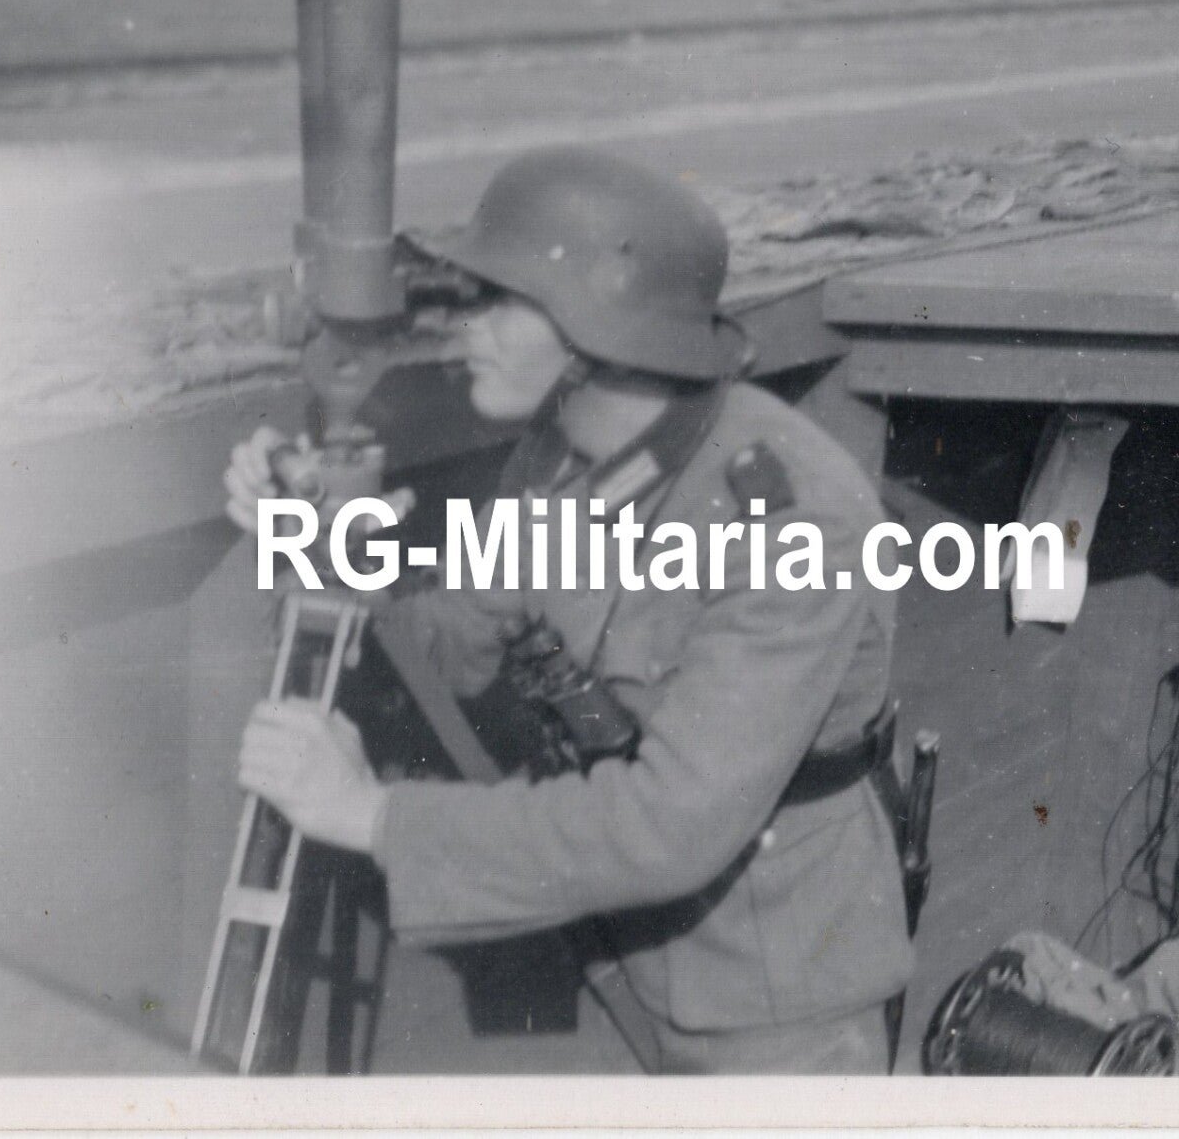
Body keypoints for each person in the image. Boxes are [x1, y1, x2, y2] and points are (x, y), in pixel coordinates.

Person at [223, 147, 912, 1073]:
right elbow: (453, 654)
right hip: (609, 951)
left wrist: (374, 816)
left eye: (501, 305)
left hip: (771, 992)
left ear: (600, 332)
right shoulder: (558, 462)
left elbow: (672, 824)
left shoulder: (793, 518)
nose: (467, 332)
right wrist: (319, 550)